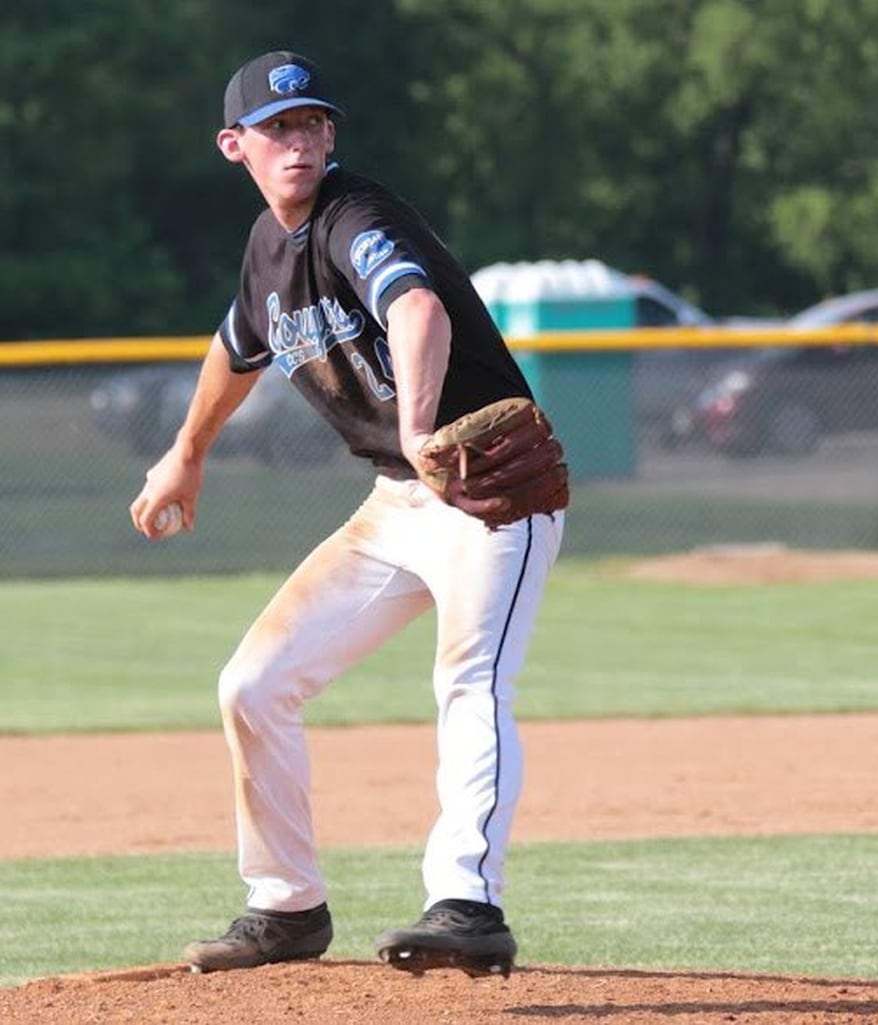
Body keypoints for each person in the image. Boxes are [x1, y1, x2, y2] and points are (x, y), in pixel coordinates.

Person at [128, 50, 564, 977]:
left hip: (482, 490)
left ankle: (467, 903)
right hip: (397, 503)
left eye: (313, 123)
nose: (299, 141)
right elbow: (234, 347)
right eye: (278, 127)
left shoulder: (354, 216)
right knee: (252, 684)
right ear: (233, 145)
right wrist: (186, 454)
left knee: (473, 683)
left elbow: (419, 312)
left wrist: (416, 426)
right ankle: (287, 907)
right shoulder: (266, 249)